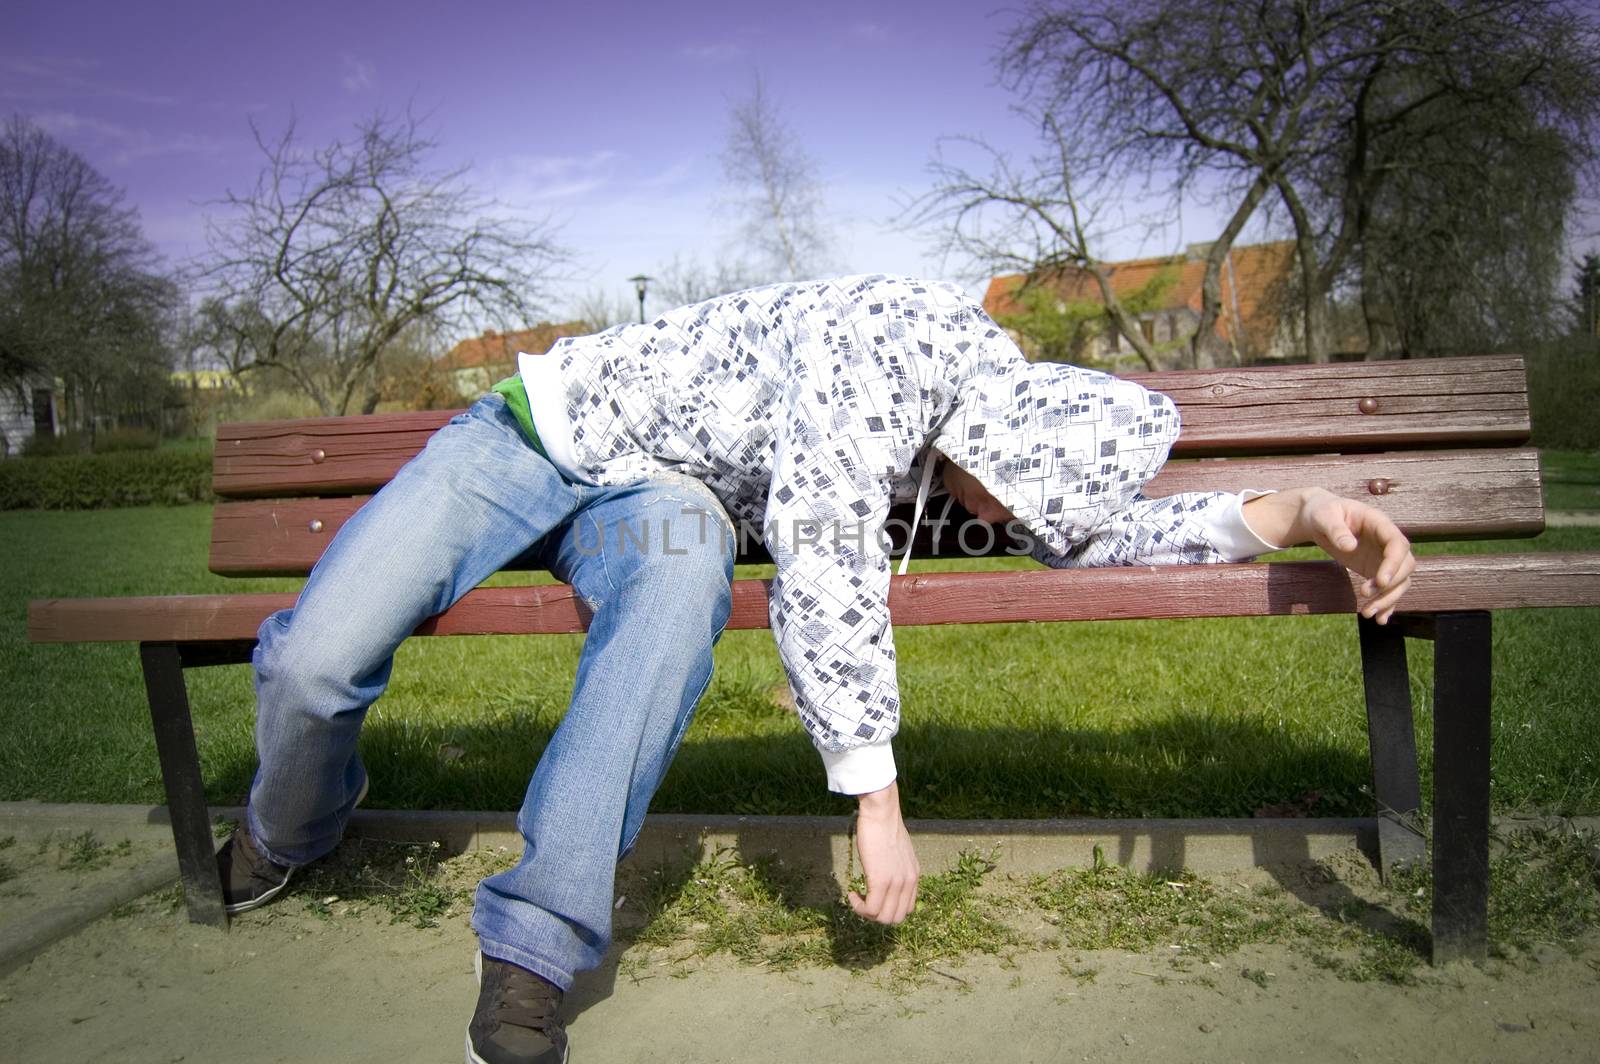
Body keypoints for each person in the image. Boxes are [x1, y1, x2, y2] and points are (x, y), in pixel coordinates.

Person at [213, 274, 1415, 1064]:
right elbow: (828, 564)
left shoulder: (988, 430)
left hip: (658, 497)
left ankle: (532, 945)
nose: (1013, 529)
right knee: (316, 662)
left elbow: (1101, 525)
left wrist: (1301, 507)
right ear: (1001, 442)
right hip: (534, 433)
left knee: (676, 603)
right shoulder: (885, 354)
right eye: (1016, 510)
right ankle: (292, 823)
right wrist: (876, 803)